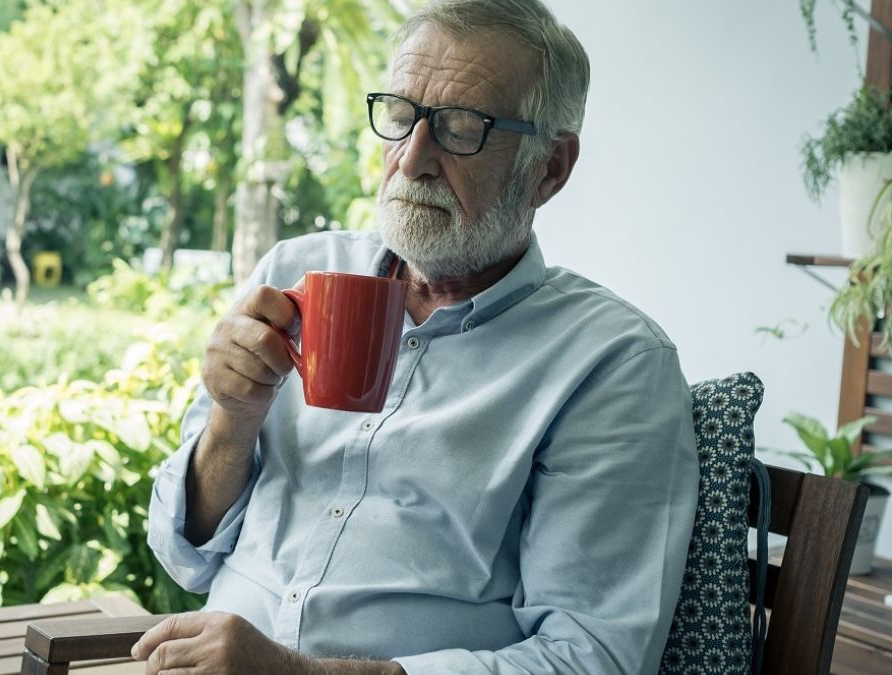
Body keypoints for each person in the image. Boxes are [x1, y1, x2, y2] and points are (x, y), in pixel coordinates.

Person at [134, 1, 699, 673]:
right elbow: (184, 554)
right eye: (401, 115)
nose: (412, 158)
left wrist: (300, 673)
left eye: (461, 128)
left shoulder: (612, 363)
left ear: (549, 168)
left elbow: (592, 656)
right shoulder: (295, 274)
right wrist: (233, 418)